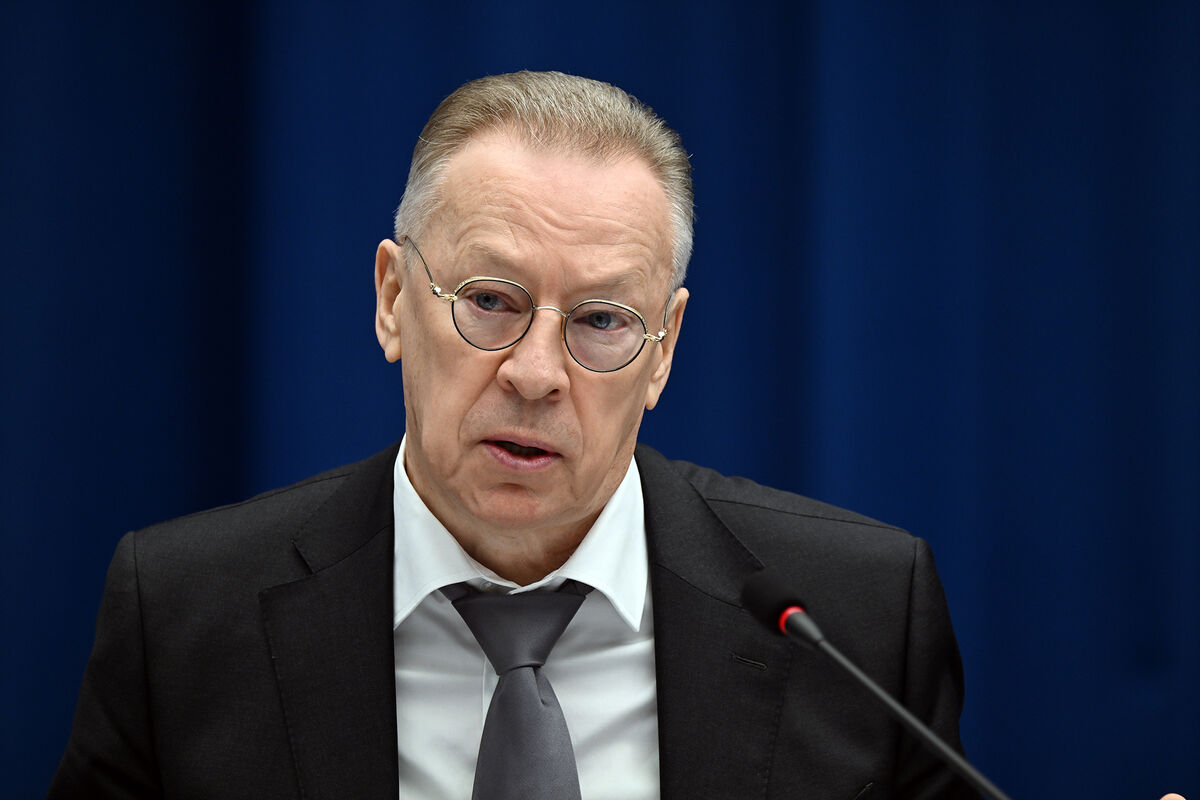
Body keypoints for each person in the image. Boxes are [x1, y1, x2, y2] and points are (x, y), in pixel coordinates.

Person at [54, 70, 1182, 800]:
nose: (537, 373)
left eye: (601, 321)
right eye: (490, 301)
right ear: (394, 299)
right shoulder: (184, 613)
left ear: (665, 348)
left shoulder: (854, 616)